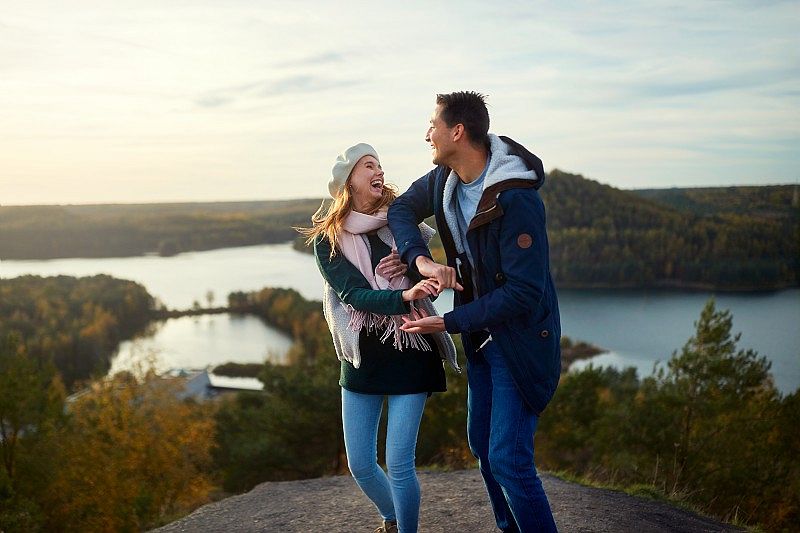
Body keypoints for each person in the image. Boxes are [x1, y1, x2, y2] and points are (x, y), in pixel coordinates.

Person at [386, 92, 561, 532]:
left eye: (432, 124)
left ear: (457, 131)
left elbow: (524, 292)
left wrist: (449, 321)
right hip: (481, 339)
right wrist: (420, 260)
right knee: (482, 444)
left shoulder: (517, 200)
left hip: (518, 340)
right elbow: (401, 209)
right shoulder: (445, 180)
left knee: (508, 457)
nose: (427, 133)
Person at [300, 143, 459, 533]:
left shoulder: (400, 223)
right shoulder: (328, 240)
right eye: (369, 165)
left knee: (400, 463)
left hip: (411, 344)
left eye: (380, 165)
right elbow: (352, 294)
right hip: (363, 356)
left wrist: (411, 271)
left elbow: (429, 279)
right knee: (361, 465)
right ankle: (391, 517)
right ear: (349, 181)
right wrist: (402, 294)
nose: (379, 171)